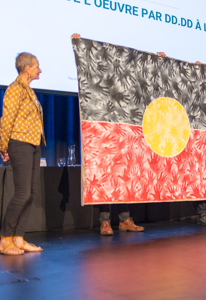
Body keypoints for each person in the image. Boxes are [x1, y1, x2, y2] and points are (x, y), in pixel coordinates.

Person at [70, 34, 145, 235]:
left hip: (126, 130)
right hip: (105, 130)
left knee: (125, 175)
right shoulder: (103, 79)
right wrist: (82, 46)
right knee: (106, 174)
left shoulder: (129, 82)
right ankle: (104, 221)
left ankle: (124, 220)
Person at [0, 52, 45, 255]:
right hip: (20, 143)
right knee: (22, 193)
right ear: (27, 68)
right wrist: (3, 145)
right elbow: (7, 118)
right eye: (36, 66)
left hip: (33, 144)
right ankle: (4, 238)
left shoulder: (30, 91)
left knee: (31, 193)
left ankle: (18, 237)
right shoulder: (14, 89)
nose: (39, 70)